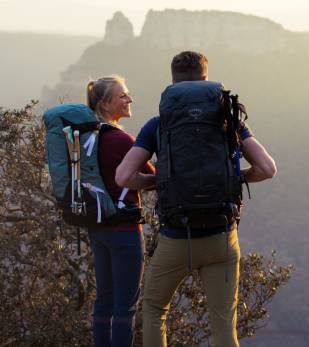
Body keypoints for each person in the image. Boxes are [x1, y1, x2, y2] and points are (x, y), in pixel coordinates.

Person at [115, 51, 276, 347]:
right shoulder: (229, 119)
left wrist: (158, 183)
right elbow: (267, 168)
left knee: (153, 310)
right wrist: (234, 178)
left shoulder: (159, 124)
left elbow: (123, 177)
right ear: (206, 78)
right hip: (222, 238)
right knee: (224, 326)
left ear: (173, 81)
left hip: (176, 237)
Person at [86, 75, 155, 347]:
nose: (129, 99)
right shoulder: (122, 140)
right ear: (105, 104)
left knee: (104, 301)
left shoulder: (90, 138)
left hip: (98, 228)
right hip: (125, 231)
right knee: (125, 308)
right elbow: (153, 177)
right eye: (122, 95)